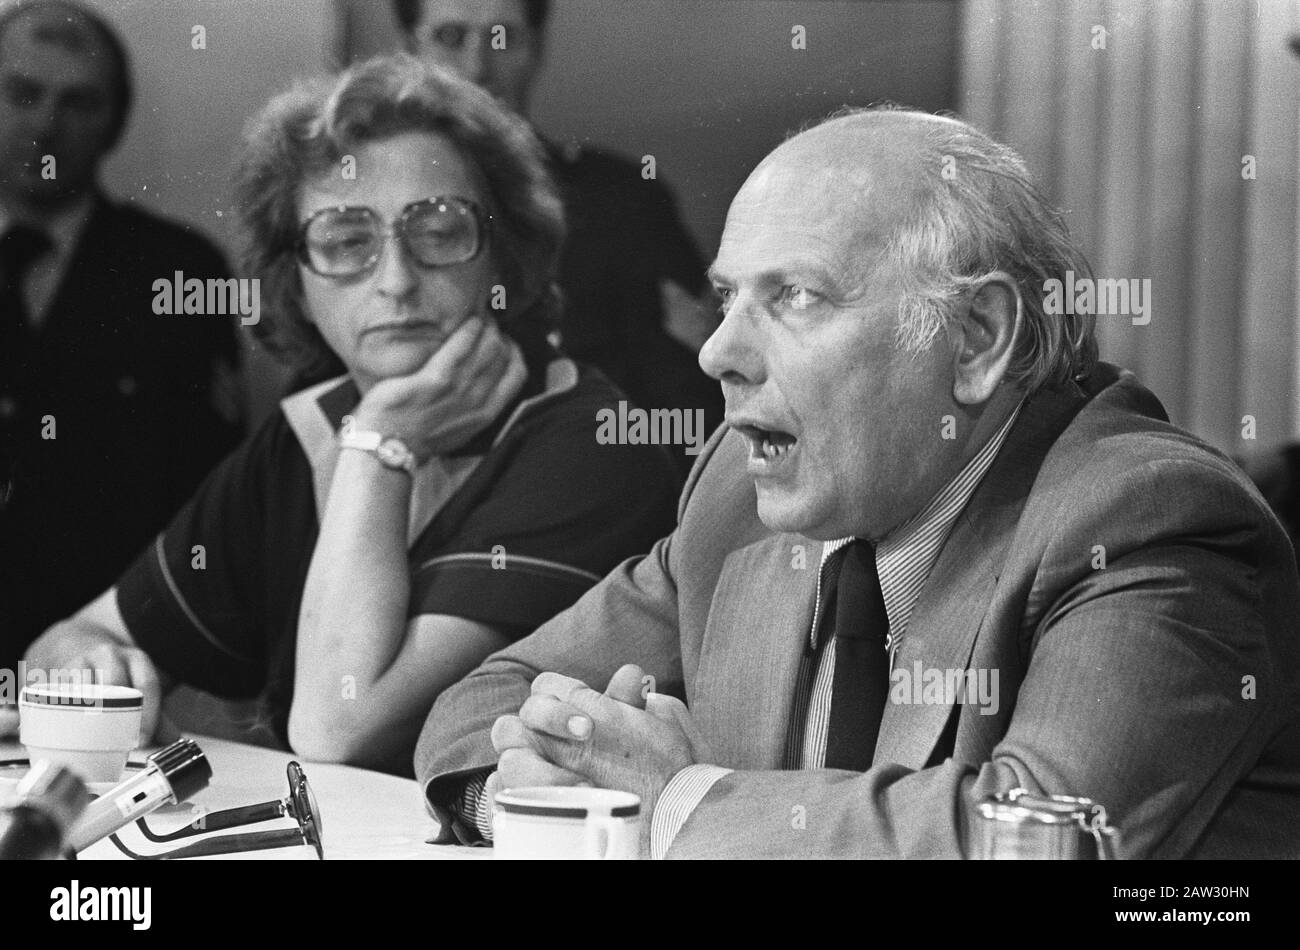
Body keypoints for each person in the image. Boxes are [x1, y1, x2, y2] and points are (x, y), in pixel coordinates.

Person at [416, 107, 1300, 857]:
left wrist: (680, 806)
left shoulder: (1150, 523)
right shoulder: (738, 495)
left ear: (978, 338)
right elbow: (482, 705)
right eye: (726, 299)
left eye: (795, 296)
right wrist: (541, 800)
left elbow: (1031, 839)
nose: (717, 353)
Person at [19, 54, 680, 774]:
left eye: (438, 229)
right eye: (346, 240)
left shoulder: (587, 441)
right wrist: (83, 661)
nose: (395, 280)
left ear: (504, 256)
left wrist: (380, 444)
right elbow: (74, 635)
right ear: (295, 284)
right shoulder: (305, 432)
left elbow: (342, 728)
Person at [0, 0, 241, 672]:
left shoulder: (178, 271)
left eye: (79, 102)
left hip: (107, 664)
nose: (47, 125)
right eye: (22, 93)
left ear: (114, 123)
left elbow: (207, 496)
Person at [392, 0, 725, 467]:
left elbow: (686, 410)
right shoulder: (375, 218)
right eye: (450, 37)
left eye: (502, 37)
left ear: (537, 48)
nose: (477, 67)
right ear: (410, 50)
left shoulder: (623, 200)